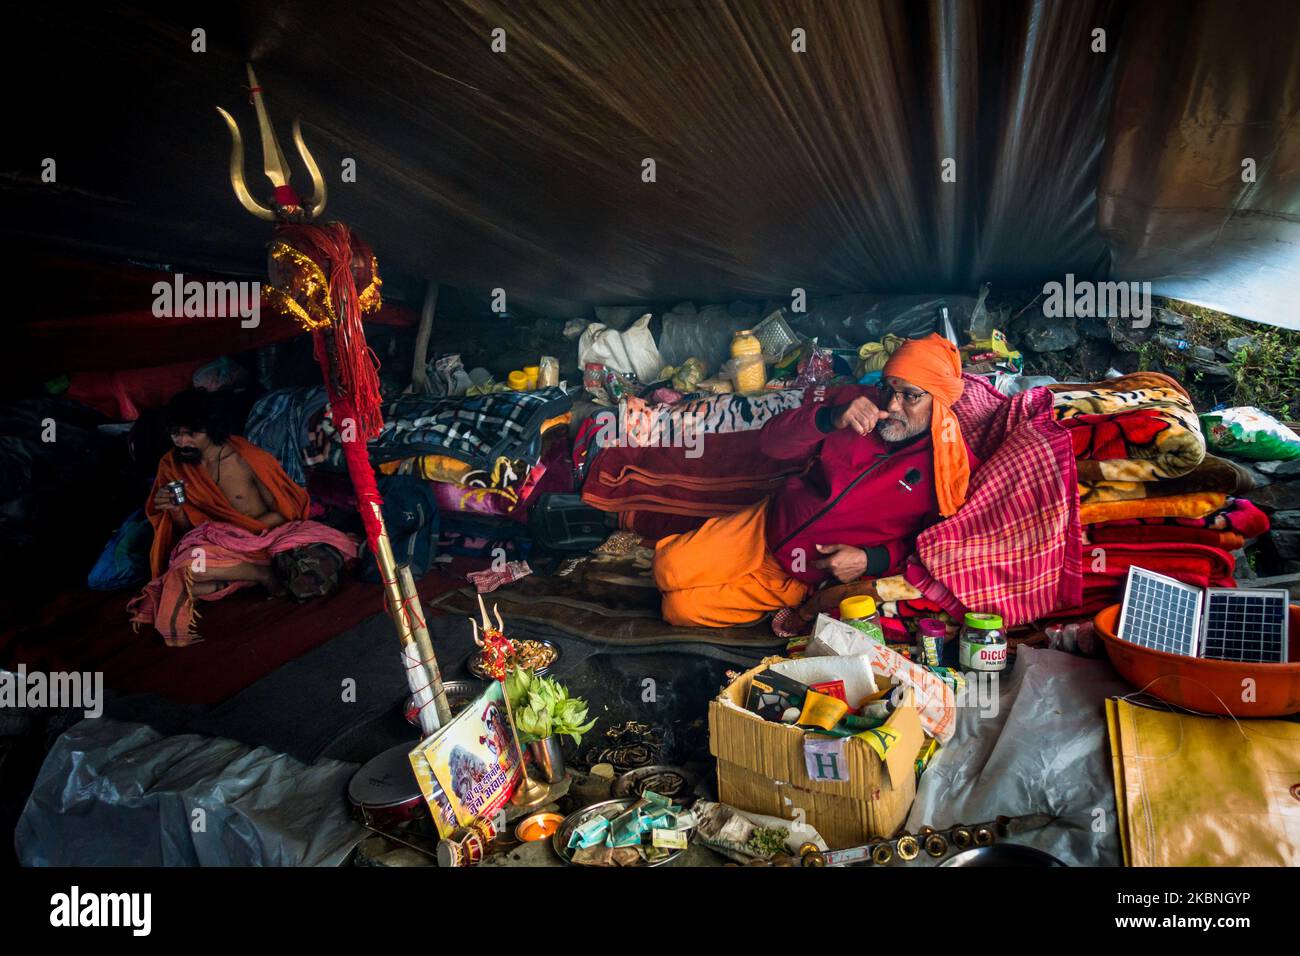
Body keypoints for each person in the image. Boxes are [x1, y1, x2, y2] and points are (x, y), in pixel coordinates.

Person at [652, 333, 977, 627]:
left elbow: (935, 549)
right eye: (889, 388)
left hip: (801, 573)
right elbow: (771, 444)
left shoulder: (949, 470)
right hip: (764, 526)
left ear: (940, 403)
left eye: (910, 396)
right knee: (665, 567)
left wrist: (871, 559)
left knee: (678, 609)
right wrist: (829, 418)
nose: (892, 405)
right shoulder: (856, 402)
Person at [128, 389, 358, 646]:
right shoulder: (171, 465)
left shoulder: (247, 458)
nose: (181, 442)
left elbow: (285, 513)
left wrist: (243, 534)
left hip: (269, 537)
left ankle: (242, 576)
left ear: (211, 429)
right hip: (223, 546)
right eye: (175, 434)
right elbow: (186, 530)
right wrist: (174, 510)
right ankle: (262, 576)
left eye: (190, 434)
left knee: (321, 561)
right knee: (187, 569)